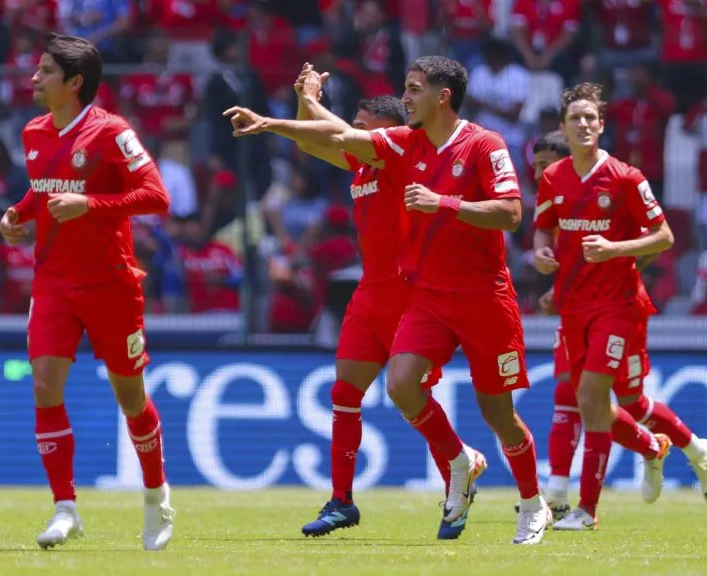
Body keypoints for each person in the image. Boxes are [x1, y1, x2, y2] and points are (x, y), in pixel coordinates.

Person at [225, 55, 552, 545]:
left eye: (414, 89)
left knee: (498, 415)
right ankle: (451, 464)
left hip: (484, 298)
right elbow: (336, 137)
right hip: (428, 298)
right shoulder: (402, 145)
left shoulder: (485, 143)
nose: (406, 96)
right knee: (398, 384)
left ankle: (532, 503)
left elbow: (510, 213)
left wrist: (443, 203)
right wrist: (272, 119)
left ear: (442, 96)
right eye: (405, 88)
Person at [0, 32, 174, 551]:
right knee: (44, 385)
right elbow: (44, 189)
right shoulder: (33, 131)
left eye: (45, 71)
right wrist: (17, 214)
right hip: (52, 282)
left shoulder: (112, 132)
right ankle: (64, 508)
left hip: (110, 286)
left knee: (131, 398)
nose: (34, 78)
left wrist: (90, 204)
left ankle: (156, 496)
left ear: (74, 83)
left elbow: (156, 196)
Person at [288, 65, 468, 539]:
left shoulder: (399, 157)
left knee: (412, 397)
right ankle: (342, 501)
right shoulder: (362, 165)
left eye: (363, 127)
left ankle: (458, 471)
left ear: (387, 132)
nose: (353, 133)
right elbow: (310, 141)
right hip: (369, 296)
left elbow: (333, 133)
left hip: (411, 299)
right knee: (345, 394)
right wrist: (306, 97)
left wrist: (309, 103)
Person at [533, 82, 707, 531]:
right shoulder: (553, 178)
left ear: (602, 125)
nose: (584, 124)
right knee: (613, 400)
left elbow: (665, 237)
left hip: (618, 305)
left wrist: (614, 249)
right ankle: (667, 449)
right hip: (573, 308)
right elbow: (544, 230)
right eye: (576, 118)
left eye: (591, 118)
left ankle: (585, 509)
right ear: (564, 126)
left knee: (591, 395)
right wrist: (541, 254)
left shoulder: (627, 177)